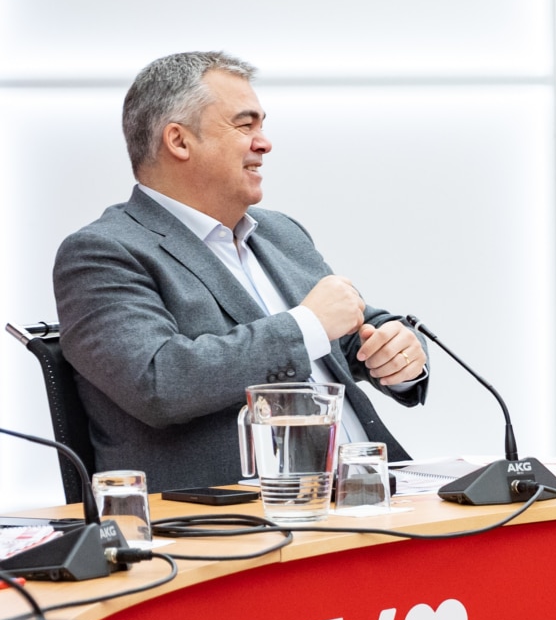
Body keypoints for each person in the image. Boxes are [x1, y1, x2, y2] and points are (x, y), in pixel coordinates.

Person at [54, 51, 430, 492]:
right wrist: (305, 325)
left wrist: (398, 352)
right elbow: (159, 382)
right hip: (233, 523)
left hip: (376, 493)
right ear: (179, 141)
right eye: (245, 125)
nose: (264, 142)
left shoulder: (281, 232)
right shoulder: (103, 252)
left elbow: (350, 331)